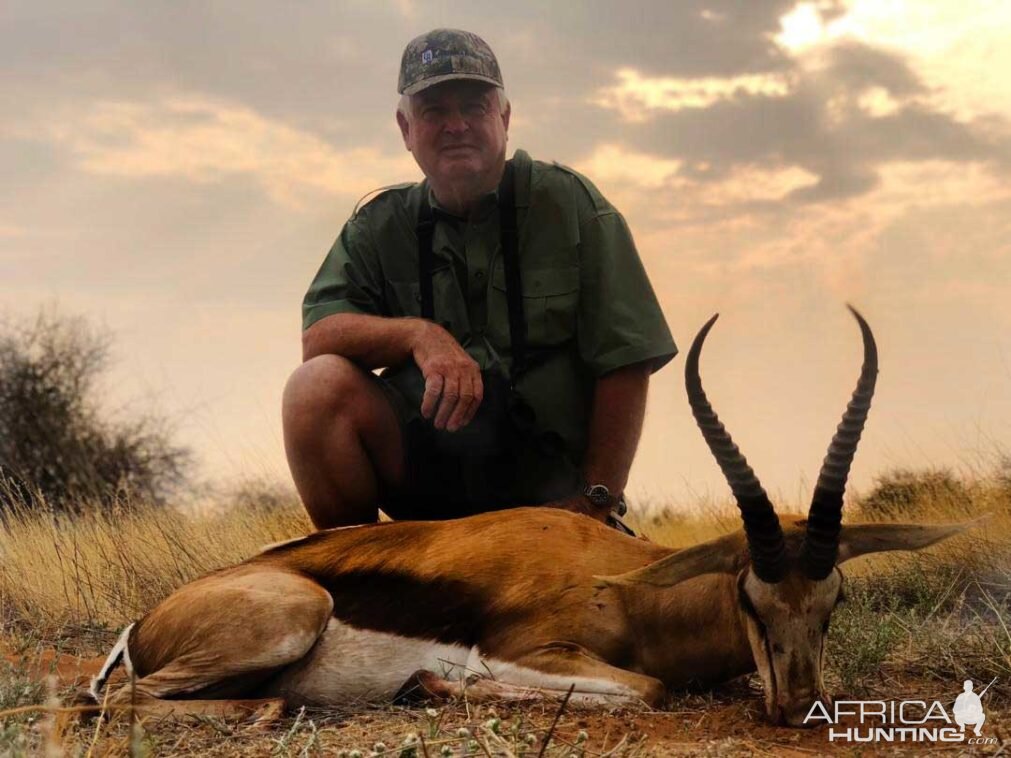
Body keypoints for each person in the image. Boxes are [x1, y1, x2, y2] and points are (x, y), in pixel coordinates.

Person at [283, 28, 676, 530]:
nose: (457, 125)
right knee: (313, 387)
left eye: (474, 106)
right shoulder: (378, 225)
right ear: (406, 129)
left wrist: (595, 502)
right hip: (425, 484)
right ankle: (362, 576)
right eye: (434, 111)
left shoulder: (573, 207)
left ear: (505, 118)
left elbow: (627, 359)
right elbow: (319, 336)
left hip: (549, 499)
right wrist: (418, 336)